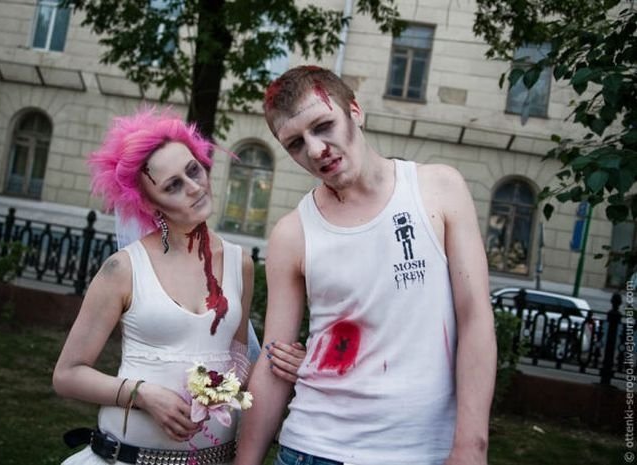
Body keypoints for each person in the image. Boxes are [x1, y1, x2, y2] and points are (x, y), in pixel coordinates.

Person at [235, 66, 497, 465]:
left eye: (324, 125)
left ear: (355, 110)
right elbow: (276, 362)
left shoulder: (438, 189)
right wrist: (246, 460)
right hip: (313, 448)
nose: (316, 149)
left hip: (424, 453)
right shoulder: (293, 233)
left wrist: (471, 446)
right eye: (295, 144)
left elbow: (475, 317)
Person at [53, 107, 304, 465]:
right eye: (172, 185)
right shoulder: (124, 269)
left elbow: (236, 358)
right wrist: (142, 395)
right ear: (149, 203)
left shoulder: (240, 263)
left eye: (193, 170)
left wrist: (271, 367)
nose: (194, 187)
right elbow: (67, 375)